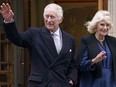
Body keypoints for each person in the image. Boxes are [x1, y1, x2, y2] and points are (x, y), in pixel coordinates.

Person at [0, 3, 77, 87]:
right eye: (46, 16)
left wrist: (71, 80)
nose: (48, 20)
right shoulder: (34, 34)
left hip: (61, 84)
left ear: (60, 19)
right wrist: (8, 20)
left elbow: (72, 64)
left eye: (52, 17)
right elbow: (16, 38)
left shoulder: (69, 39)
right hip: (40, 84)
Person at [76, 10, 116, 87]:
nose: (105, 28)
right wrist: (94, 61)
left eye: (107, 25)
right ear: (95, 25)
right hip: (92, 82)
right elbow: (80, 66)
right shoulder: (86, 40)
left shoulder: (113, 41)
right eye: (102, 24)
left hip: (110, 82)